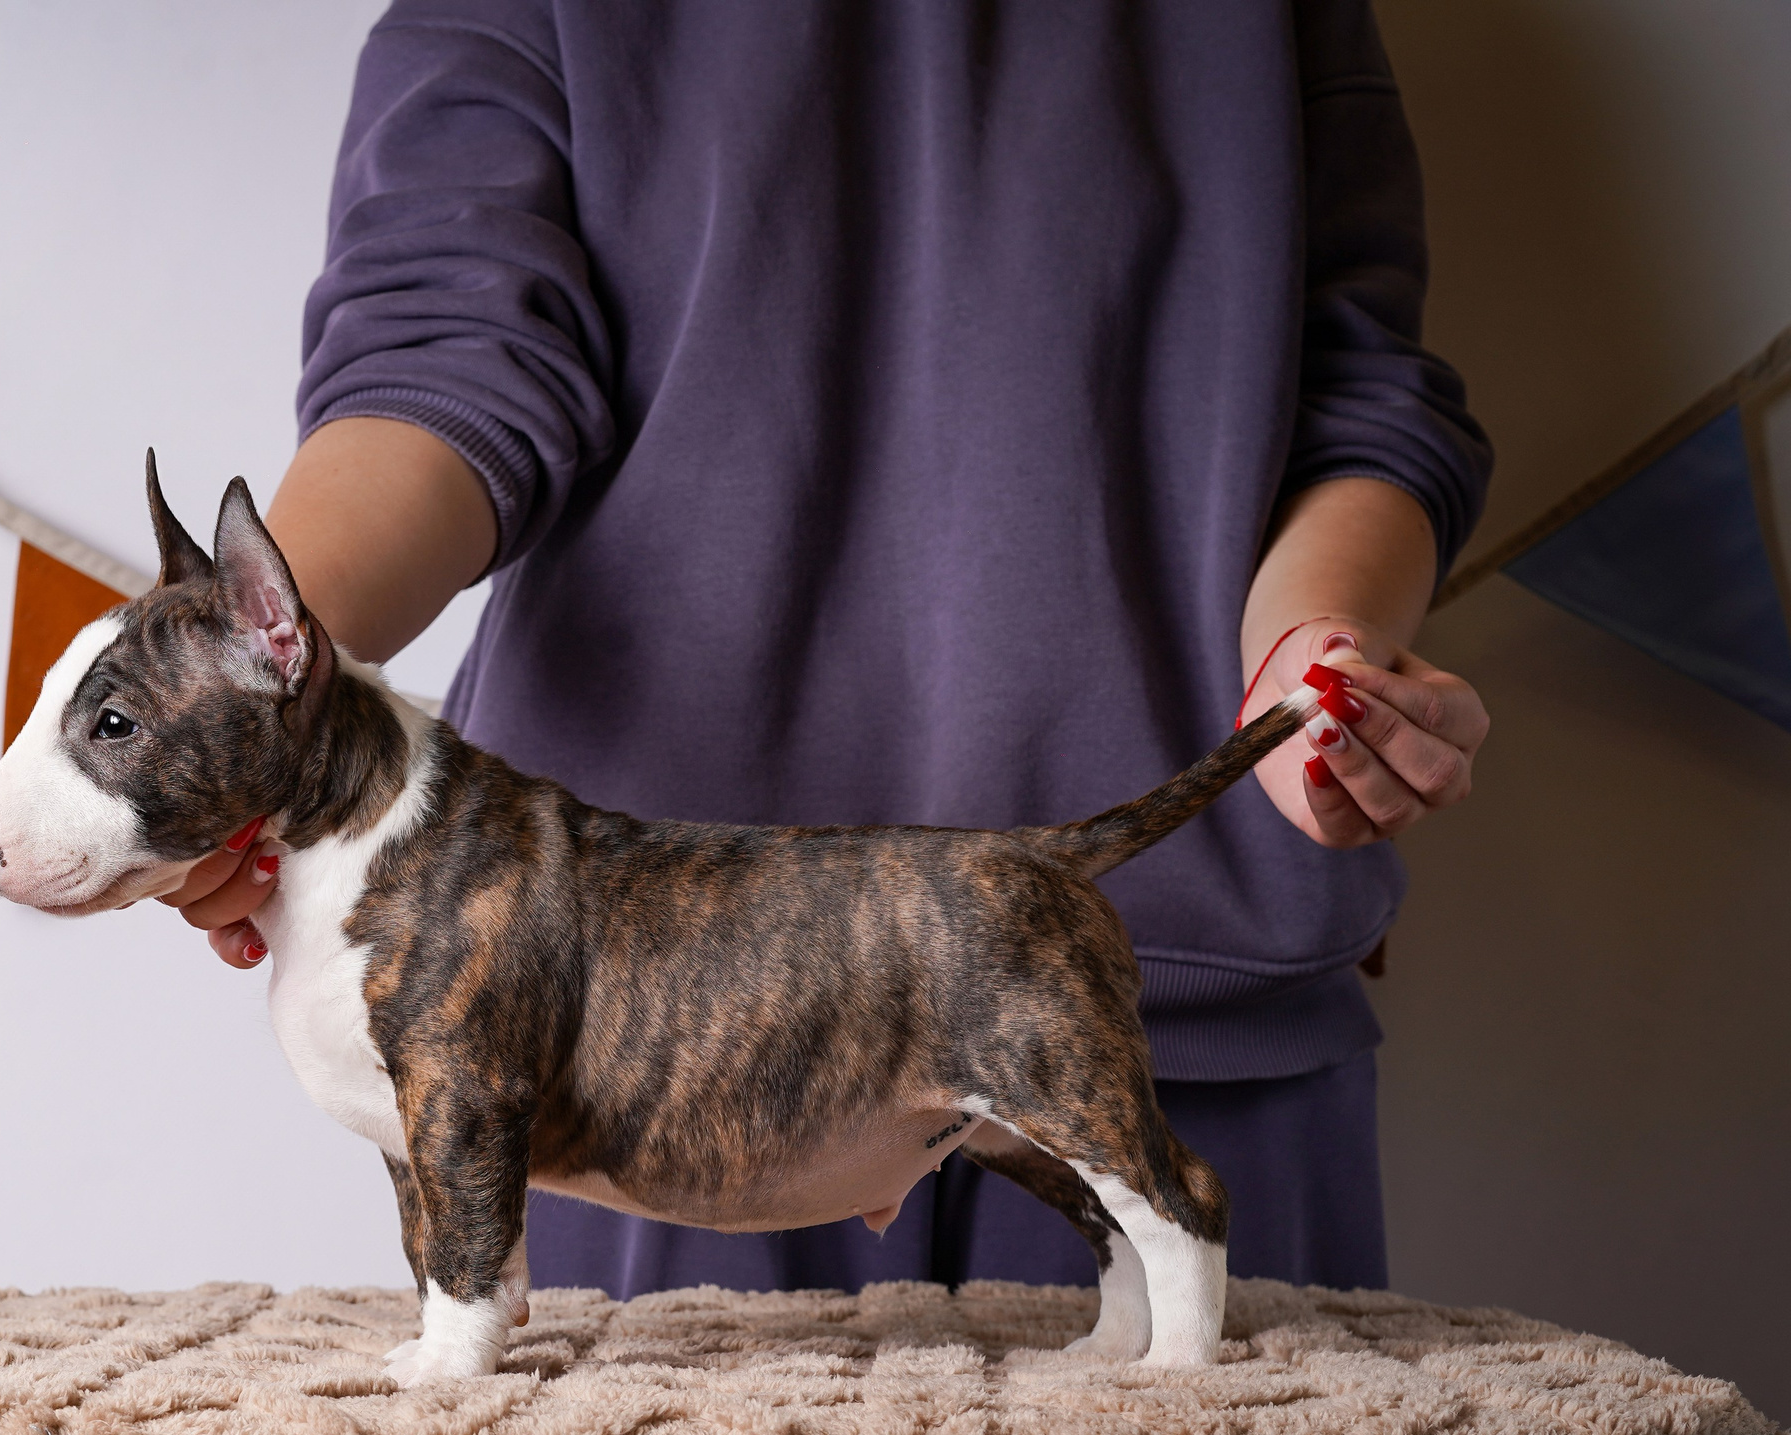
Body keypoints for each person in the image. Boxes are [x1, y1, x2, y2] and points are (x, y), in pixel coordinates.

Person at [159, 1, 1492, 1300]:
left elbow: (1352, 393)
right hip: (648, 1023)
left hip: (1175, 1007)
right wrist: (235, 695)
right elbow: (445, 366)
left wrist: (1315, 656)